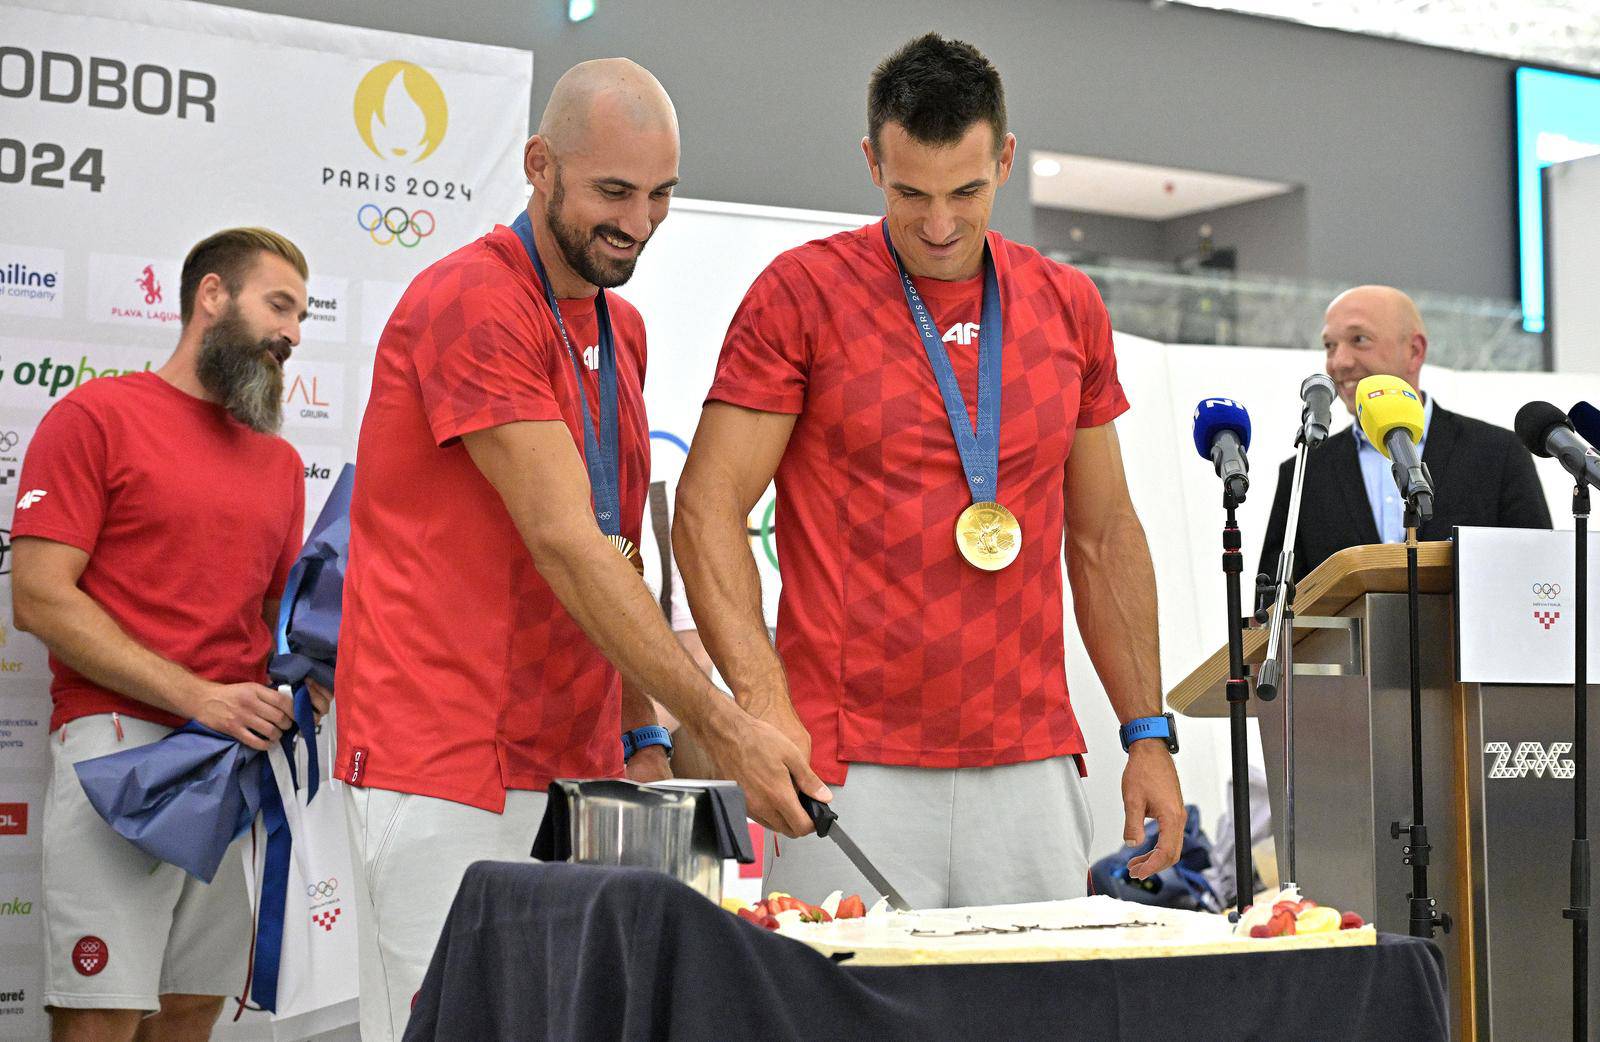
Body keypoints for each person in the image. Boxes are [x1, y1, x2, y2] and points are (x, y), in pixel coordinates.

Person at [332, 58, 824, 1041]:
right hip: (446, 762)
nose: (638, 223)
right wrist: (722, 728)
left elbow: (614, 552)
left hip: (574, 766)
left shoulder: (620, 326)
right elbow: (562, 541)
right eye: (612, 191)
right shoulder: (471, 301)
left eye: (659, 195)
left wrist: (640, 733)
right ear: (538, 165)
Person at [673, 33, 1185, 910]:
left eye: (966, 191)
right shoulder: (801, 294)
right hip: (846, 766)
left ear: (1006, 160)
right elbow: (707, 506)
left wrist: (1148, 735)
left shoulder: (1068, 306)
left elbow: (1104, 537)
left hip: (1028, 760)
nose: (939, 225)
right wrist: (762, 706)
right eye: (910, 193)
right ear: (872, 162)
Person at [12, 227, 312, 1042]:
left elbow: (277, 625)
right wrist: (197, 697)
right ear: (211, 296)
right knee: (100, 1017)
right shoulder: (95, 416)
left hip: (234, 765)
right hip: (120, 751)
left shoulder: (281, 467)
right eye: (278, 305)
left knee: (187, 1013)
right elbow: (39, 599)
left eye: (303, 318)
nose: (292, 334)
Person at [1258, 285, 1551, 584]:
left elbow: (1543, 578)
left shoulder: (1497, 454)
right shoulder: (1305, 471)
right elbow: (1275, 612)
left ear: (1414, 351)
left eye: (1359, 339)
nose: (1339, 362)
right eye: (1330, 345)